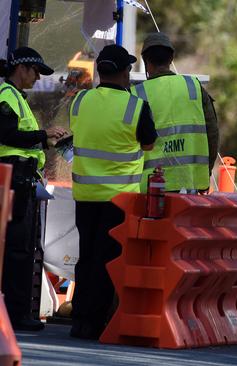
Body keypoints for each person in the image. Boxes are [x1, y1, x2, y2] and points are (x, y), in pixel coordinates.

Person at [69, 44, 157, 339]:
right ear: (123, 72)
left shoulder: (80, 101)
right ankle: (94, 322)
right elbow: (148, 143)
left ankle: (78, 318)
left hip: (85, 195)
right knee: (107, 261)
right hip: (119, 199)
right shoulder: (135, 106)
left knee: (86, 256)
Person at [0, 47, 67, 331]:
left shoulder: (16, 97)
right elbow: (7, 134)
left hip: (20, 177)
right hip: (12, 177)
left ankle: (17, 313)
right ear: (21, 68)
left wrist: (44, 139)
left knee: (22, 248)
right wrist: (43, 135)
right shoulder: (6, 95)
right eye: (35, 71)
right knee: (17, 249)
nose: (38, 77)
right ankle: (15, 315)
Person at [132, 32, 219, 192]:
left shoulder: (136, 94)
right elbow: (212, 134)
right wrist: (204, 173)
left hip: (149, 188)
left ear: (145, 59)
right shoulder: (194, 87)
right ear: (171, 58)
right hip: (189, 185)